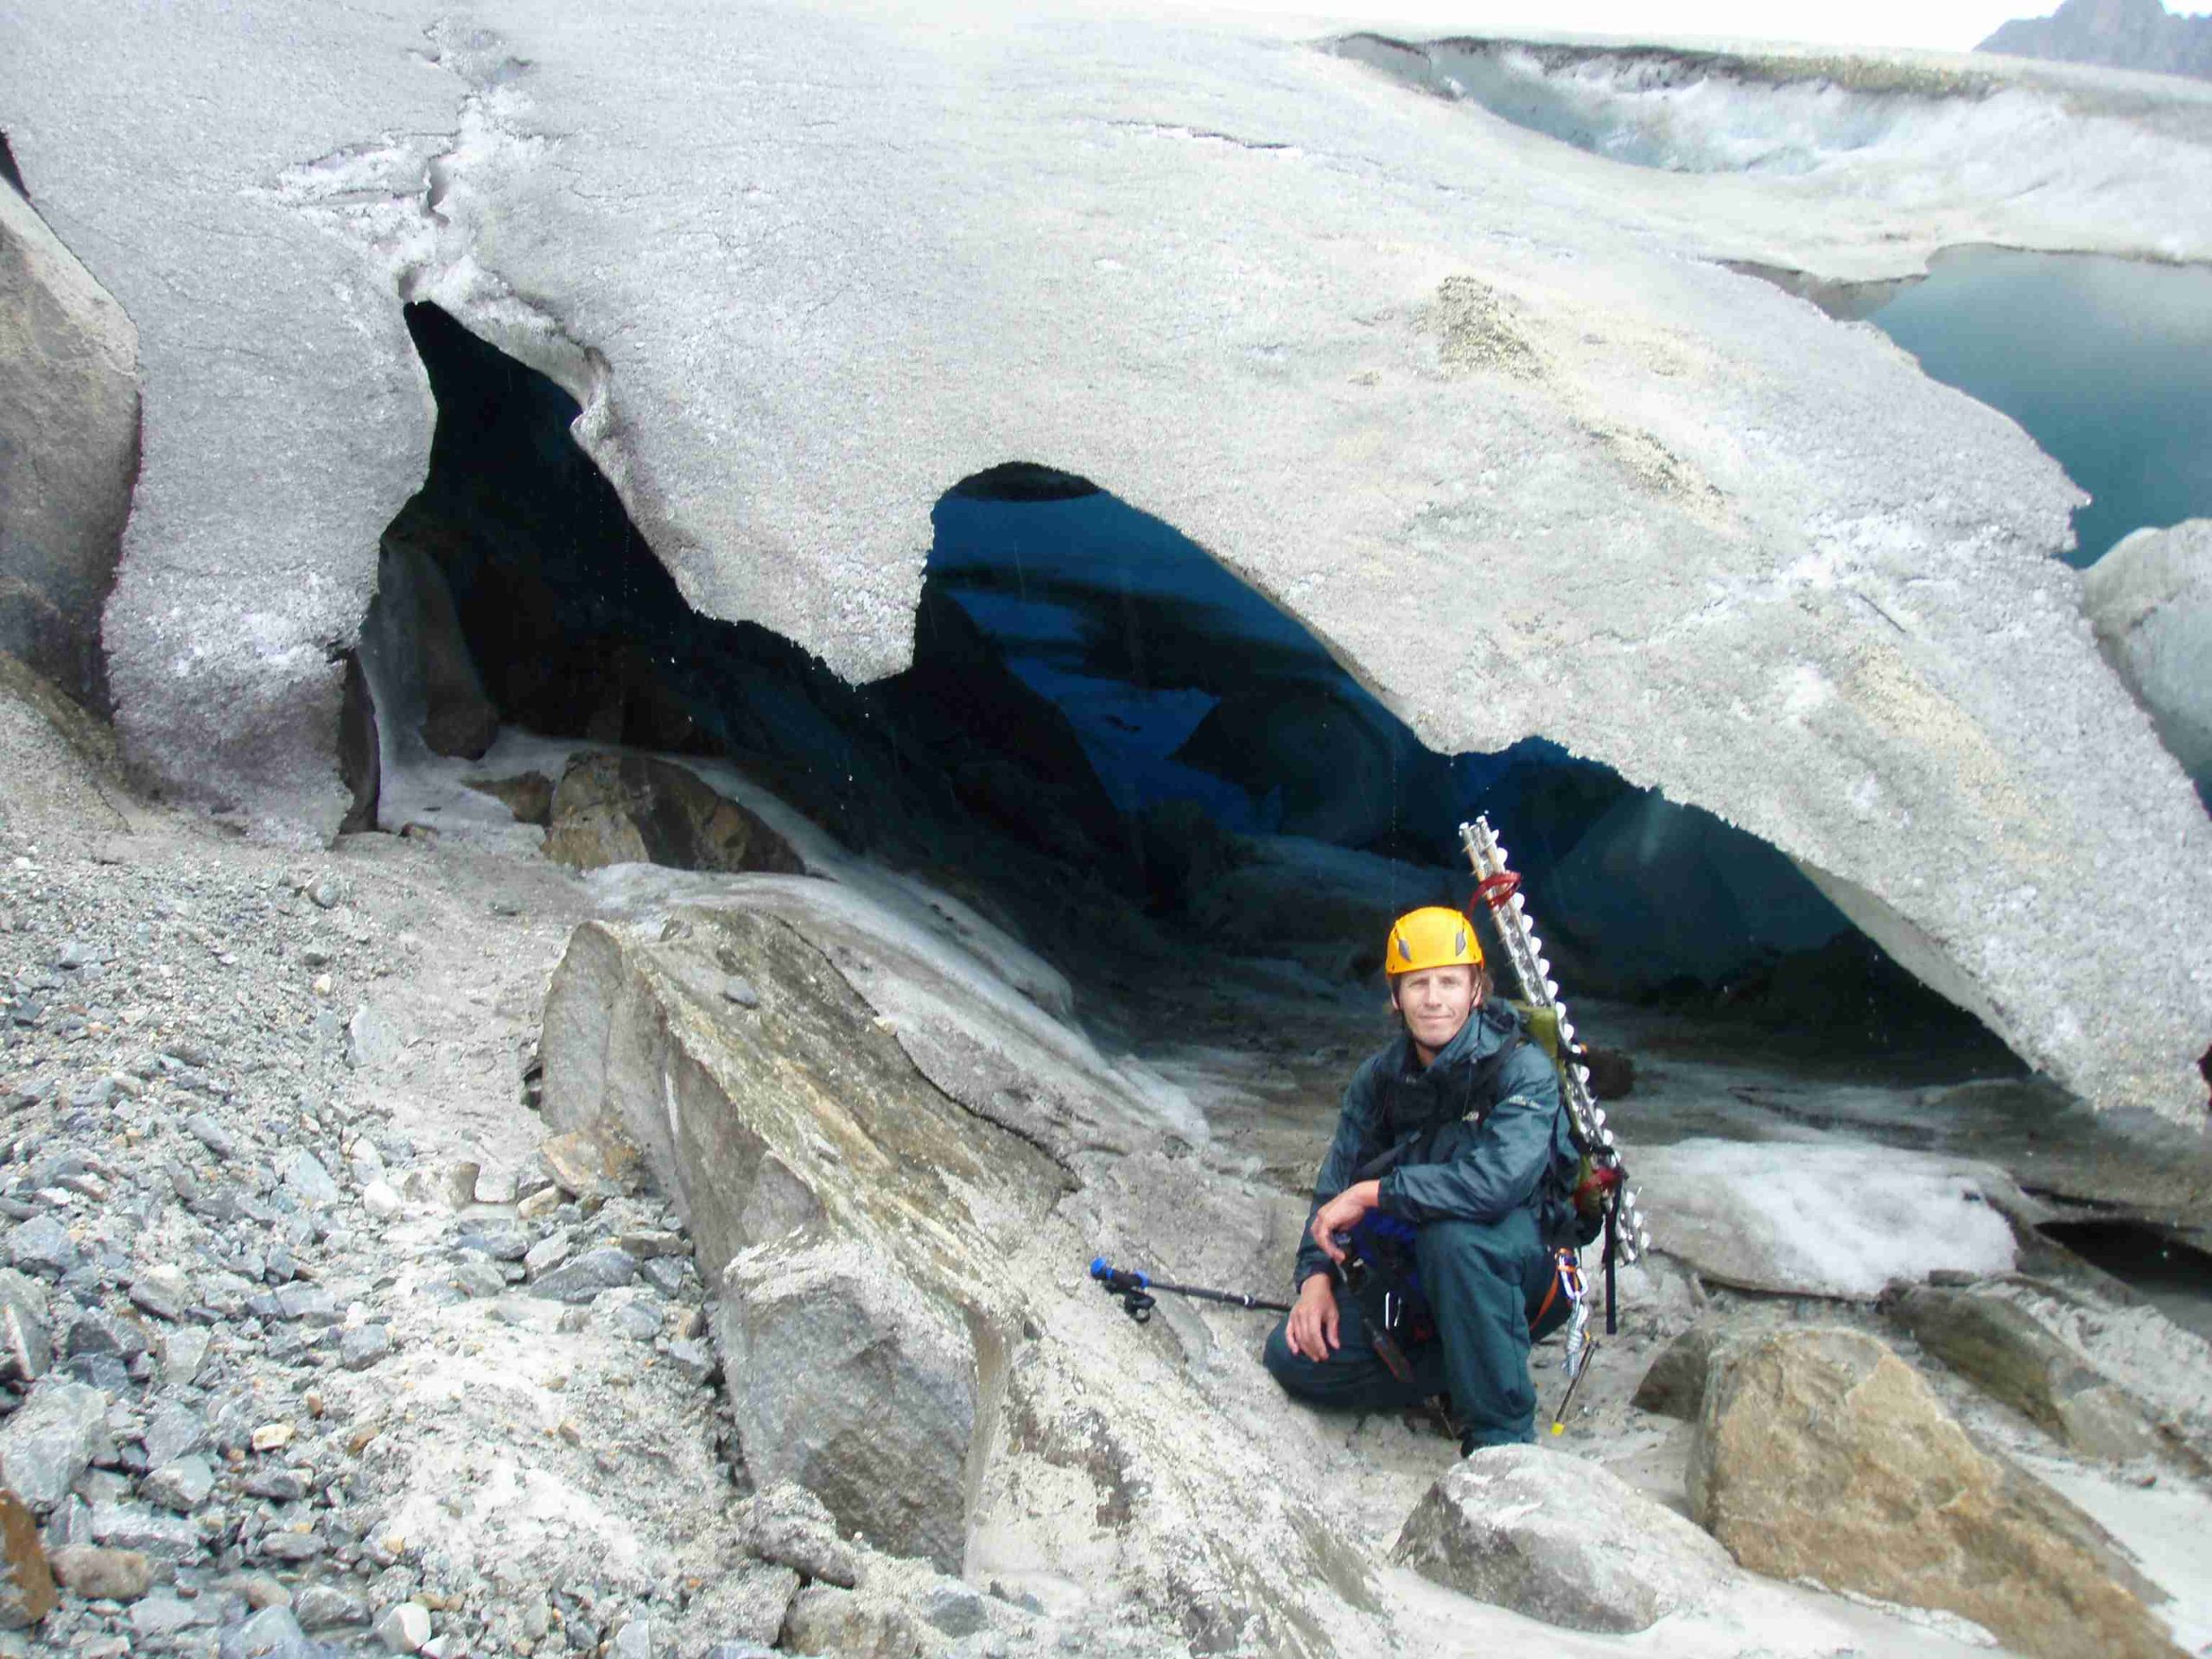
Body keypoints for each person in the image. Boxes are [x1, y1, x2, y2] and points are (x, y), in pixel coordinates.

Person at [1262, 906, 1579, 1452]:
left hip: (1523, 1272)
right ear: (1396, 997)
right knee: (1294, 1360)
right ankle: (1464, 1365)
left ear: (1476, 990)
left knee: (1455, 1239)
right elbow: (1335, 1185)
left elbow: (1495, 1185)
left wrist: (1378, 1193)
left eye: (1449, 982)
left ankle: (1501, 1439)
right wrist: (1315, 1279)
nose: (1434, 999)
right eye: (1418, 984)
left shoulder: (1522, 1071)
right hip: (1423, 1275)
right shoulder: (1380, 1080)